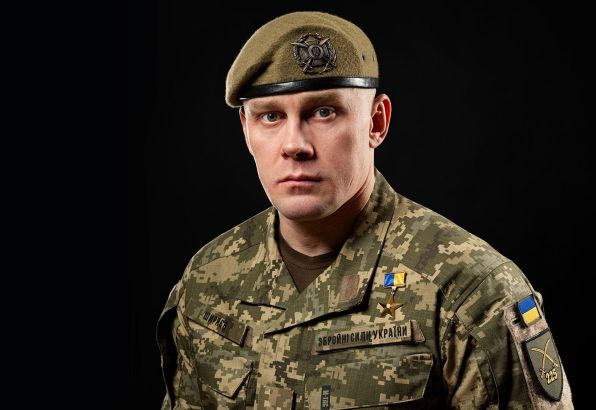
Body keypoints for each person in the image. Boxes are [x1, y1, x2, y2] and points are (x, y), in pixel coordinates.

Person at [156, 11, 573, 409]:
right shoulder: (209, 278)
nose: (294, 144)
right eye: (270, 116)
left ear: (376, 122)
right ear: (246, 130)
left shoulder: (469, 290)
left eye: (324, 112)